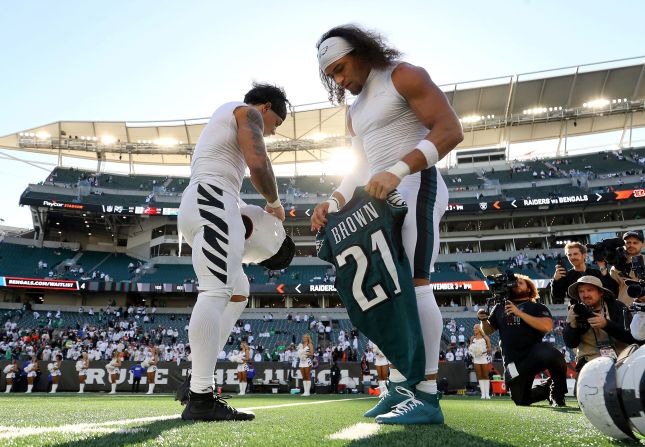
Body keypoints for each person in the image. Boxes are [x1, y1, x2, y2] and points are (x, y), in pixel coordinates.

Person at [311, 24, 463, 425]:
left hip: (418, 186)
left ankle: (427, 394)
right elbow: (359, 166)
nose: (341, 81)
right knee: (391, 295)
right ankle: (400, 387)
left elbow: (450, 130)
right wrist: (333, 200)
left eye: (342, 69)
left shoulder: (403, 74)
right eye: (333, 76)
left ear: (362, 52)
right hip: (382, 201)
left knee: (415, 285)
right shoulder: (354, 109)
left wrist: (397, 169)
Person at [177, 83, 288, 422]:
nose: (271, 132)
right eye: (276, 125)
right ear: (266, 108)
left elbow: (234, 182)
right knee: (214, 292)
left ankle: (196, 376)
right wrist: (274, 202)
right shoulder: (247, 112)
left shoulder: (223, 123)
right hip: (212, 200)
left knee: (238, 290)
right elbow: (258, 162)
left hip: (206, 201)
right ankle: (201, 395)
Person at [478, 274, 567, 407]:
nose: (516, 285)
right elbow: (488, 331)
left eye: (521, 283)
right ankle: (546, 388)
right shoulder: (500, 307)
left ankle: (557, 394)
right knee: (521, 400)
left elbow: (547, 326)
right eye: (515, 283)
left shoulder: (537, 307)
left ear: (529, 289)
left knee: (555, 356)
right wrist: (483, 320)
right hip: (513, 361)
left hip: (533, 354)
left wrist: (519, 313)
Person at [563, 276, 634, 372]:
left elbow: (630, 337)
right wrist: (572, 325)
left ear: (601, 292)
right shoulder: (576, 311)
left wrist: (606, 324)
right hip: (589, 362)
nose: (585, 295)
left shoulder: (617, 307)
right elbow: (570, 343)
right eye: (581, 291)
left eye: (589, 290)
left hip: (620, 359)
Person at [551, 242, 617, 304]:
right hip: (578, 312)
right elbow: (557, 296)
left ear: (584, 255)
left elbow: (612, 290)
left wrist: (603, 268)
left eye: (575, 254)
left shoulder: (596, 273)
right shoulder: (566, 276)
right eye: (569, 255)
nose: (572, 257)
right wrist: (555, 280)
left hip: (599, 310)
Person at [610, 231, 645, 307]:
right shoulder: (616, 265)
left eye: (635, 243)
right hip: (625, 308)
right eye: (628, 242)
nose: (631, 245)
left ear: (642, 244)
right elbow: (612, 289)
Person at [468, 324, 492, 399]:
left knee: (485, 375)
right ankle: (483, 394)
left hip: (484, 358)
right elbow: (470, 348)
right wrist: (473, 352)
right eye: (473, 328)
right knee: (479, 376)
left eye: (476, 328)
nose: (474, 329)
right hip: (476, 359)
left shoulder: (485, 337)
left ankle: (487, 394)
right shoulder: (472, 338)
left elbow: (490, 348)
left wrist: (482, 351)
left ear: (479, 329)